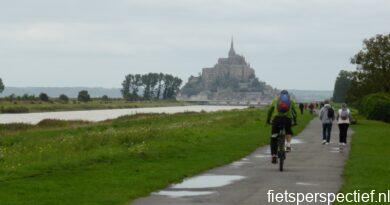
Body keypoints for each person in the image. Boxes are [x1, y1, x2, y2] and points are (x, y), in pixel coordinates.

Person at [267, 90, 297, 164]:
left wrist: (268, 120)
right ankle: (288, 145)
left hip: (276, 120)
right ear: (288, 95)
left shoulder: (275, 100)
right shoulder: (291, 101)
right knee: (288, 131)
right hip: (287, 120)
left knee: (273, 137)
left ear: (280, 95)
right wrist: (295, 121)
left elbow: (270, 111)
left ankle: (274, 155)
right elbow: (294, 112)